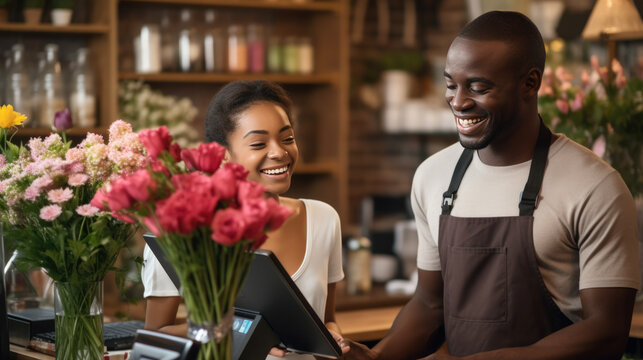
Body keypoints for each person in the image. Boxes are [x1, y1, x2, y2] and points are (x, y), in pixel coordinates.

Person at [343, 11, 639, 360]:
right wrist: (377, 358)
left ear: (530, 83)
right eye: (451, 84)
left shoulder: (595, 187)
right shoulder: (432, 176)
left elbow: (606, 332)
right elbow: (429, 304)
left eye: (479, 87)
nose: (458, 101)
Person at [141, 80, 349, 358]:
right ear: (223, 155)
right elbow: (156, 335)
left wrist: (333, 335)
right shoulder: (185, 230)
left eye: (287, 138)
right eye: (259, 143)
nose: (279, 152)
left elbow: (327, 319)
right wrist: (238, 330)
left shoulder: (323, 219)